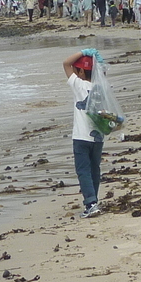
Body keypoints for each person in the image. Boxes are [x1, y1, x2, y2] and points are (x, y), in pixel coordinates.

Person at [63, 50, 104, 218]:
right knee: (94, 169)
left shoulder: (78, 85)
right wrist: (97, 58)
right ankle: (94, 200)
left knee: (83, 170)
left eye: (77, 69)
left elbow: (66, 63)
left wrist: (83, 51)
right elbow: (102, 69)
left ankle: (91, 203)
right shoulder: (101, 85)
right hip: (98, 136)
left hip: (81, 137)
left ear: (80, 72)